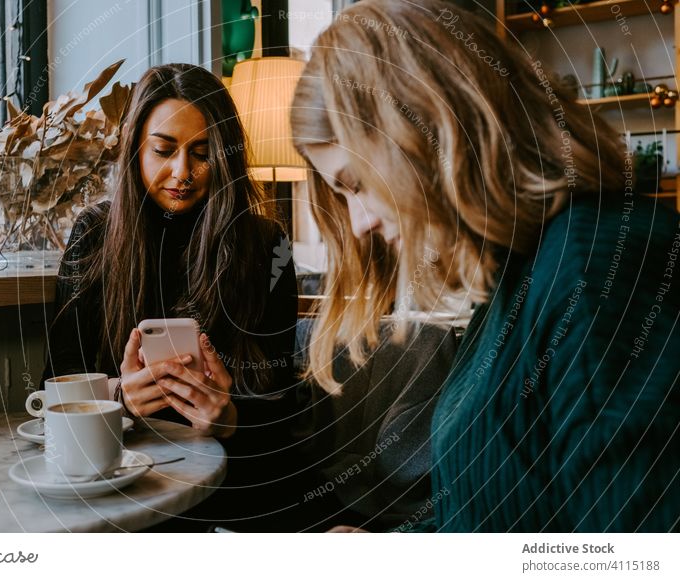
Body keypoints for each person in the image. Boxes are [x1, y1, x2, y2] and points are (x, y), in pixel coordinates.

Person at [291, 0, 679, 532]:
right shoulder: (517, 272)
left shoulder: (595, 269)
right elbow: (496, 510)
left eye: (354, 183)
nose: (358, 224)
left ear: (424, 129)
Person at [40, 63, 299, 525]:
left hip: (236, 479)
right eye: (163, 150)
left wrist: (230, 418)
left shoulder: (265, 244)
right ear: (135, 149)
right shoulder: (94, 235)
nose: (182, 171)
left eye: (202, 153)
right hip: (124, 473)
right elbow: (57, 381)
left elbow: (284, 409)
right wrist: (117, 399)